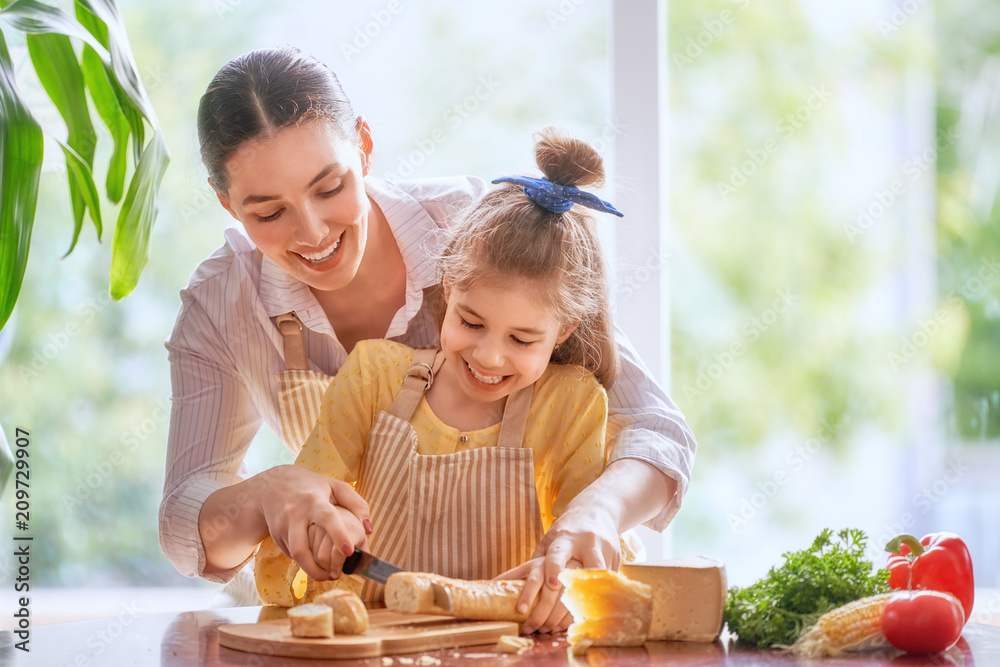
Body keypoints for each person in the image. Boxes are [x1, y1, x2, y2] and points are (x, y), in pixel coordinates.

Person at [160, 46, 696, 635]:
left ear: (363, 145)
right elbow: (185, 521)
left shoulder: (482, 231)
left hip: (526, 625)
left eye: (329, 186)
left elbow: (656, 428)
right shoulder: (221, 302)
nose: (312, 232)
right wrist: (267, 493)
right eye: (268, 213)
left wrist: (596, 511)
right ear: (227, 205)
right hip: (368, 630)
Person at [256, 127, 620, 630]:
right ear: (447, 288)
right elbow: (308, 507)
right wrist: (317, 538)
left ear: (564, 332)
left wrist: (564, 580)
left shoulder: (572, 404)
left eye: (522, 339)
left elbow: (579, 552)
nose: (490, 357)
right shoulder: (374, 376)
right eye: (471, 322)